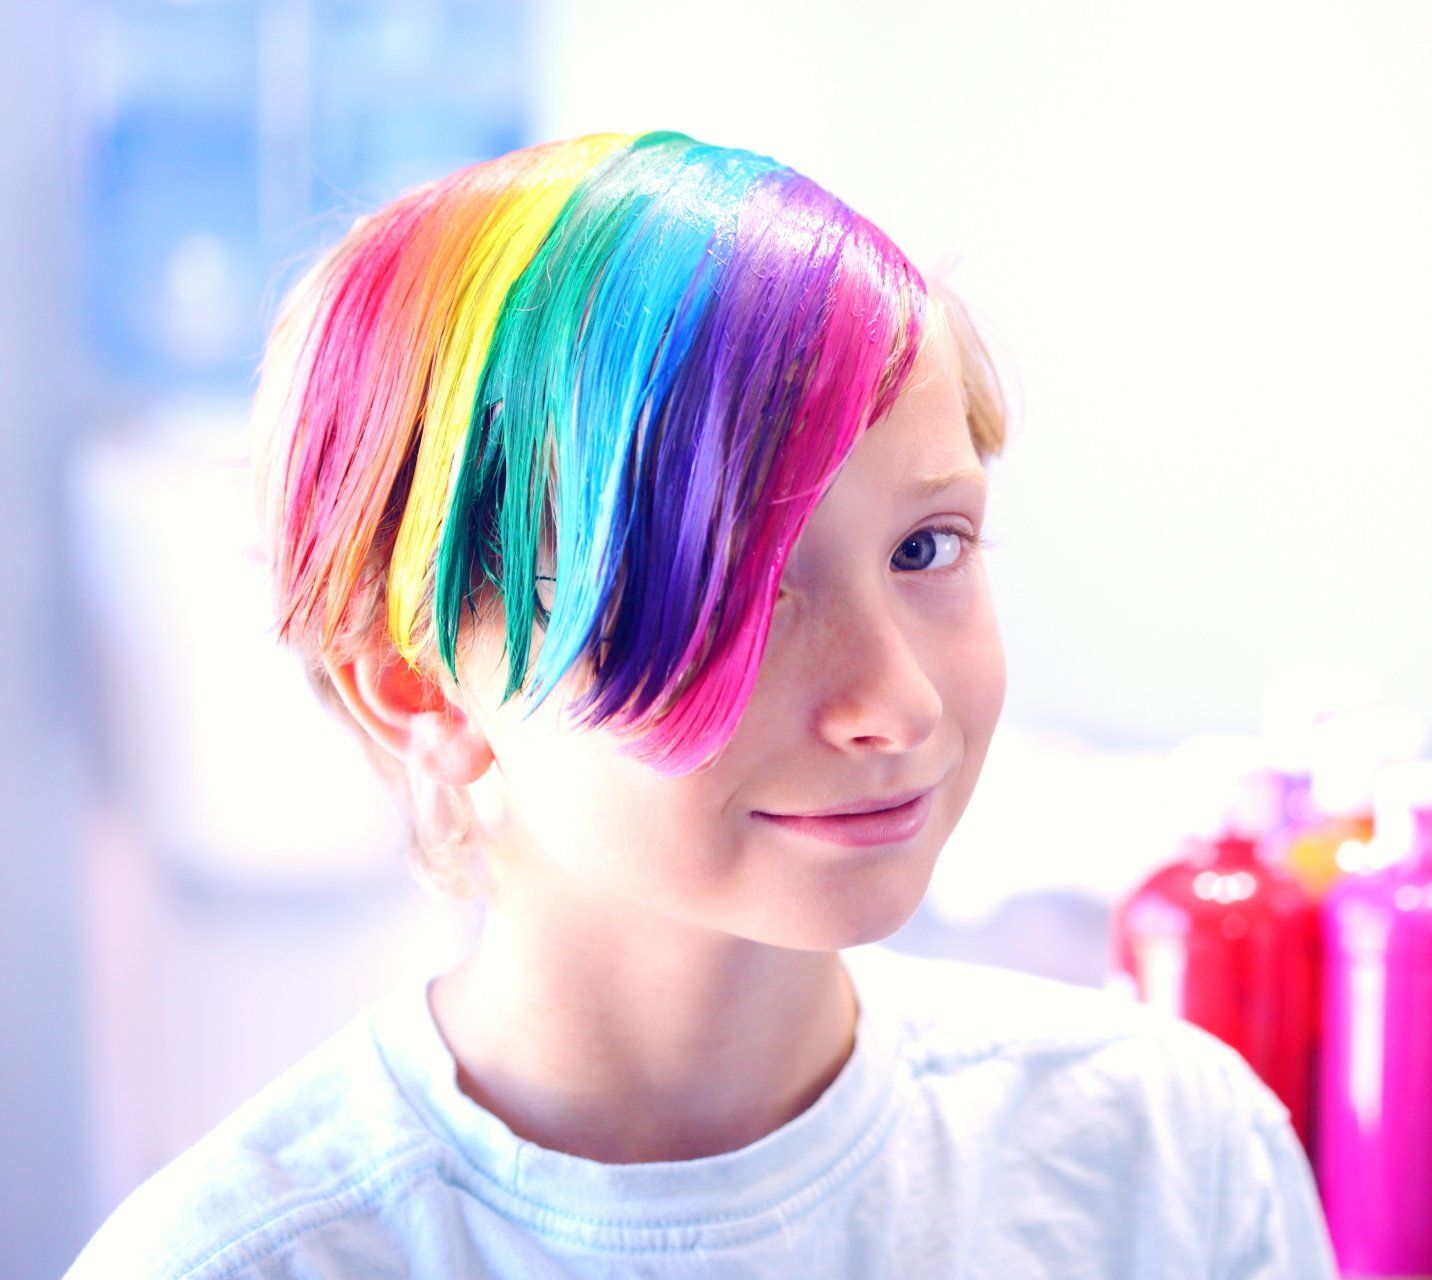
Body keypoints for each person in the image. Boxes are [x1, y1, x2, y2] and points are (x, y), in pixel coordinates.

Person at [67, 130, 1336, 1279]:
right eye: (736, 584)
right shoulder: (241, 1260)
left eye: (926, 548)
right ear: (423, 685)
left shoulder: (1161, 1159)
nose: (893, 703)